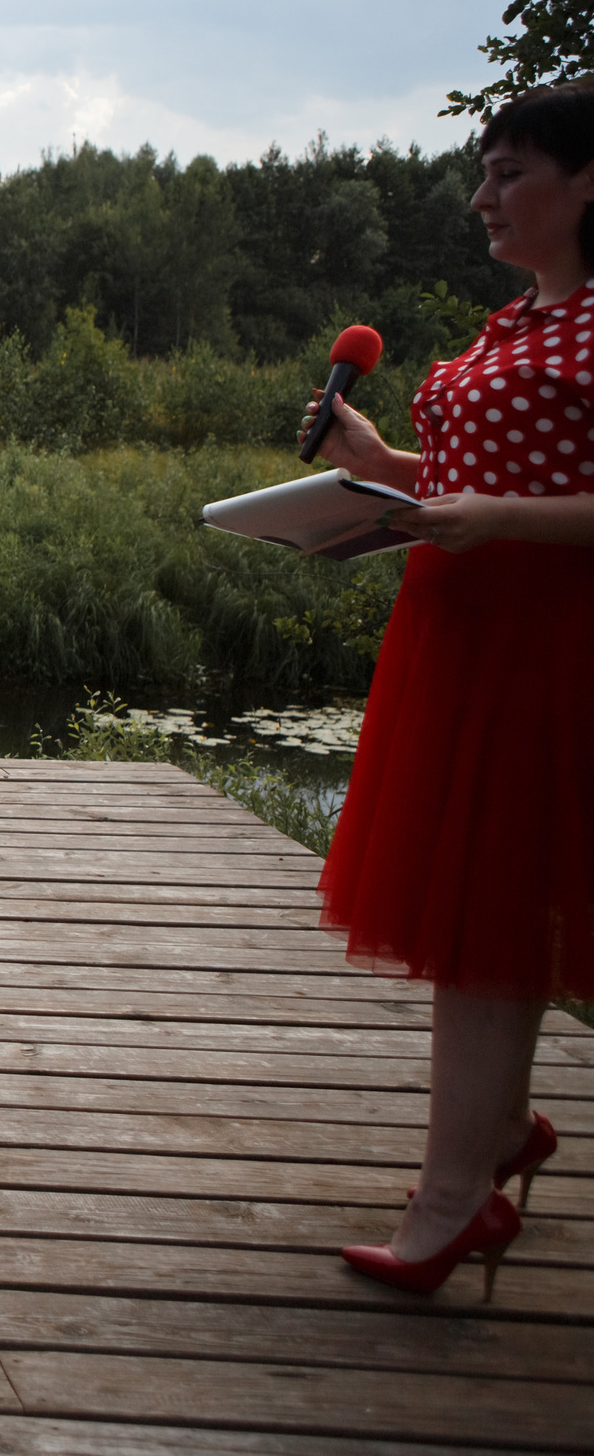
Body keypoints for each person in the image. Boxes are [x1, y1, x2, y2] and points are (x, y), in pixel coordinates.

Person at [306, 78, 594, 1300]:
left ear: (590, 184)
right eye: (484, 170)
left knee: (488, 927)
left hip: (547, 646)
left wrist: (499, 519)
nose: (483, 194)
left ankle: (450, 1199)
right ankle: (494, 1140)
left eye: (510, 171)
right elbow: (471, 475)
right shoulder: (521, 319)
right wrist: (376, 467)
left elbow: (520, 501)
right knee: (484, 918)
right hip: (459, 628)